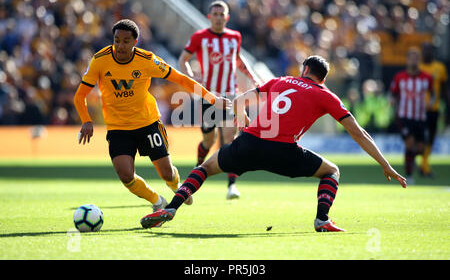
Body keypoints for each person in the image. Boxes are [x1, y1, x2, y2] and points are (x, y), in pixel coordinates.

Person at [141, 55, 407, 232]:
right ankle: (322, 219)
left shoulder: (280, 80)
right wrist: (386, 165)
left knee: (206, 168)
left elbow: (241, 98)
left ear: (304, 70)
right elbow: (359, 133)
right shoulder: (326, 95)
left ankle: (172, 208)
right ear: (322, 78)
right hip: (283, 152)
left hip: (250, 142)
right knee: (331, 171)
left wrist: (242, 117)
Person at [73, 19, 231, 217]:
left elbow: (180, 78)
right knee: (125, 175)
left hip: (147, 123)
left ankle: (176, 186)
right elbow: (80, 96)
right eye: (116, 40)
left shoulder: (147, 60)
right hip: (118, 127)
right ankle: (157, 201)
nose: (120, 46)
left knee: (166, 173)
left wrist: (212, 98)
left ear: (135, 42)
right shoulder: (100, 60)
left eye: (125, 41)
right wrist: (86, 120)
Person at [178, 0, 260, 200]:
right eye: (215, 13)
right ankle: (197, 171)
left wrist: (253, 77)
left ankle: (232, 185)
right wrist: (192, 80)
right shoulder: (200, 37)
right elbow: (183, 60)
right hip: (209, 96)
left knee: (229, 138)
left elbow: (239, 60)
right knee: (209, 139)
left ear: (227, 17)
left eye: (221, 13)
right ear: (209, 16)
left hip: (231, 95)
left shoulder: (235, 37)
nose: (218, 16)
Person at [390, 47, 434, 184]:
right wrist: (392, 101)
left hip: (420, 117)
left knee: (420, 148)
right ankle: (409, 175)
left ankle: (411, 161)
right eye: (411, 57)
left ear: (419, 60)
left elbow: (433, 94)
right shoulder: (399, 77)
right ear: (407, 60)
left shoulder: (427, 77)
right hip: (404, 116)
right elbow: (392, 93)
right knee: (409, 144)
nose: (414, 60)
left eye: (416, 57)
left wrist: (431, 103)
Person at [418, 43, 448, 177]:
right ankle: (420, 164)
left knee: (430, 137)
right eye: (425, 50)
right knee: (418, 138)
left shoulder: (440, 68)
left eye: (429, 50)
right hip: (417, 109)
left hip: (433, 108)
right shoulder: (417, 67)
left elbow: (445, 87)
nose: (427, 53)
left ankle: (424, 164)